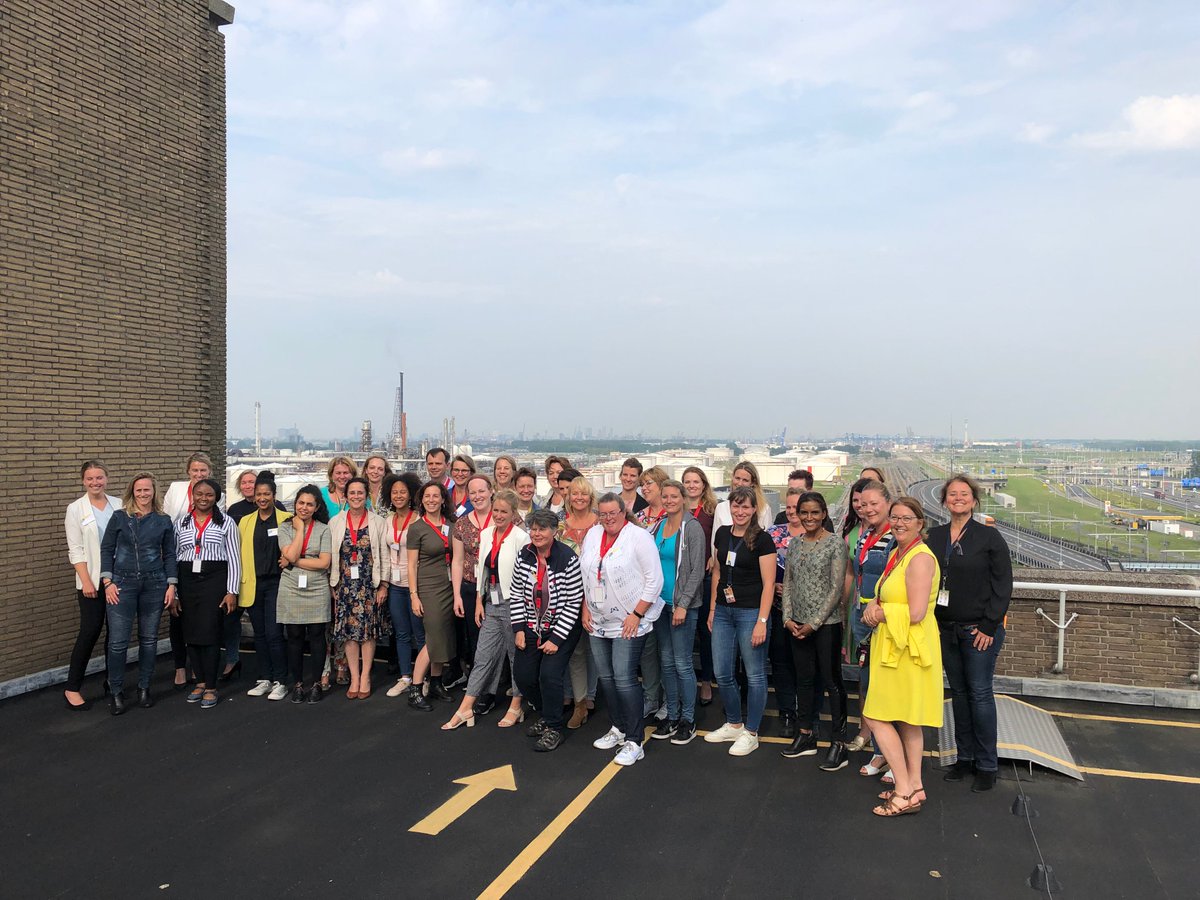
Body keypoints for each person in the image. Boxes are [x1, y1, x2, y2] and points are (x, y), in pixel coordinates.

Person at [927, 475, 1013, 793]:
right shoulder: (933, 536)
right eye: (953, 494)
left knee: (979, 695)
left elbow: (1003, 585)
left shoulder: (989, 537)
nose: (958, 499)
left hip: (979, 631)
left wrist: (989, 627)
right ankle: (964, 759)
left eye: (964, 494)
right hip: (945, 629)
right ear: (945, 501)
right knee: (959, 696)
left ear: (974, 501)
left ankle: (987, 765)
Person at [860, 497, 943, 816]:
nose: (899, 523)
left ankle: (904, 790)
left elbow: (918, 611)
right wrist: (873, 606)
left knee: (876, 715)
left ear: (920, 523)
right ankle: (916, 787)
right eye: (894, 518)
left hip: (907, 648)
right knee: (907, 720)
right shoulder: (899, 553)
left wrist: (881, 614)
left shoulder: (920, 559)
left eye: (907, 518)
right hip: (900, 644)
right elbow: (888, 594)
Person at [580, 494, 663, 766]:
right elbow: (587, 574)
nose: (608, 519)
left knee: (625, 678)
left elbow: (655, 580)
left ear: (623, 511)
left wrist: (637, 614)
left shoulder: (638, 537)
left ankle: (635, 740)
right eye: (603, 514)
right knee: (606, 678)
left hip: (629, 620)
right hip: (598, 620)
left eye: (613, 513)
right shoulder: (593, 535)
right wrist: (585, 606)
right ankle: (618, 728)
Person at [442, 490, 528, 730]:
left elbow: (525, 577)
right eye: (496, 511)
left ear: (513, 514)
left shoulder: (521, 538)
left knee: (515, 657)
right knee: (483, 656)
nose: (499, 515)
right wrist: (480, 600)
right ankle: (466, 706)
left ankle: (516, 704)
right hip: (491, 602)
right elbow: (483, 569)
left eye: (504, 511)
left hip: (514, 604)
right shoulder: (487, 533)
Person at [779, 492, 850, 771]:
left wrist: (814, 623)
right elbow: (789, 581)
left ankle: (839, 743)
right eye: (804, 512)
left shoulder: (835, 543)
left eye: (815, 513)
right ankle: (806, 735)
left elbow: (836, 589)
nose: (809, 518)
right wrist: (787, 618)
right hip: (796, 624)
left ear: (824, 514)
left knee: (832, 682)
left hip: (826, 625)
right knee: (804, 680)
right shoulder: (794, 544)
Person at [704, 486, 776, 757]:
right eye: (736, 506)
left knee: (754, 674)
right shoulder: (722, 534)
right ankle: (734, 722)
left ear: (754, 509)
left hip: (750, 612)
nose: (740, 511)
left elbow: (769, 583)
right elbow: (718, 574)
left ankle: (752, 732)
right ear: (729, 507)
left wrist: (762, 620)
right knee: (722, 672)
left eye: (746, 507)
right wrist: (712, 609)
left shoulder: (762, 539)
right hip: (723, 610)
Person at [99, 473, 177, 715]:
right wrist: (107, 581)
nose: (143, 494)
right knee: (118, 643)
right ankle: (116, 691)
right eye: (139, 490)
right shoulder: (120, 517)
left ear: (154, 491)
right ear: (132, 493)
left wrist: (171, 585)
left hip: (154, 584)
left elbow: (170, 554)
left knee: (149, 640)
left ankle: (144, 687)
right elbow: (107, 548)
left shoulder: (163, 520)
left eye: (147, 490)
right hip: (122, 584)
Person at [511, 509, 585, 752]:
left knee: (549, 675)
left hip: (561, 628)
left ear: (554, 532)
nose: (536, 533)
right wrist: (519, 628)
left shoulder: (567, 558)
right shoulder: (525, 555)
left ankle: (554, 726)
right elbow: (516, 593)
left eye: (542, 529)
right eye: (533, 528)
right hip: (531, 626)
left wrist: (556, 638)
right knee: (523, 676)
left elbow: (574, 601)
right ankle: (546, 712)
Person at [174, 479, 241, 710]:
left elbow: (234, 558)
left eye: (209, 495)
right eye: (199, 494)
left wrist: (232, 590)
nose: (204, 498)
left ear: (217, 497)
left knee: (211, 632)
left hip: (214, 580)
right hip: (187, 580)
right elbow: (174, 556)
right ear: (193, 496)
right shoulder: (181, 523)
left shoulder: (226, 523)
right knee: (190, 632)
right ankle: (200, 681)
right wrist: (173, 590)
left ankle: (211, 686)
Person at [648, 481, 706, 745]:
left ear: (683, 499)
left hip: (681, 606)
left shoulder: (692, 528)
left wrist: (682, 603)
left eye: (674, 496)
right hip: (660, 605)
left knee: (683, 663)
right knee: (667, 662)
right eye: (665, 496)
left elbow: (696, 571)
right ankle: (671, 715)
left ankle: (688, 718)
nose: (669, 500)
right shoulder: (659, 526)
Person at [63, 460, 120, 710]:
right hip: (91, 582)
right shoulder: (75, 509)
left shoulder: (119, 504)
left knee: (116, 633)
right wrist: (87, 581)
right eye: (90, 479)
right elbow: (75, 550)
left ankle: (112, 680)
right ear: (83, 481)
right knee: (90, 632)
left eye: (99, 478)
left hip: (118, 579)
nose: (95, 482)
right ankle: (72, 688)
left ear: (106, 479)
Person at [329, 477, 391, 699]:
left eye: (360, 493)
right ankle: (354, 677)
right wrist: (332, 584)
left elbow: (384, 555)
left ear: (366, 496)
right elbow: (332, 557)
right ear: (345, 496)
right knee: (350, 634)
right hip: (345, 586)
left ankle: (365, 676)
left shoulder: (378, 522)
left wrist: (383, 585)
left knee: (367, 633)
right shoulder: (335, 522)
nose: (356, 497)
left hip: (369, 586)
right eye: (352, 493)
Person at [850, 479, 894, 780]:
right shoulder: (865, 534)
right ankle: (880, 753)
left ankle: (896, 757)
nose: (867, 509)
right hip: (861, 617)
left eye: (874, 503)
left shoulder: (895, 536)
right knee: (869, 688)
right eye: (863, 504)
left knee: (889, 690)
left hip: (882, 619)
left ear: (887, 503)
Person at [162, 452, 219, 687]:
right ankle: (179, 666)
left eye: (203, 471)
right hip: (179, 555)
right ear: (188, 472)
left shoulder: (216, 492)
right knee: (177, 617)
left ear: (209, 472)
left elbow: (216, 520)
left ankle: (199, 669)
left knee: (202, 621)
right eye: (195, 470)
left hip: (206, 564)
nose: (199, 474)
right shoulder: (175, 490)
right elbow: (165, 519)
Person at [277, 485, 333, 703]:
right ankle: (298, 684)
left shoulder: (323, 529)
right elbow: (289, 552)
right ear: (295, 504)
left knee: (318, 637)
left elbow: (324, 562)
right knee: (295, 637)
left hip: (317, 587)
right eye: (301, 503)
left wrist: (294, 561)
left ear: (317, 506)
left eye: (310, 504)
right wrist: (299, 529)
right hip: (291, 587)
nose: (304, 507)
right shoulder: (285, 527)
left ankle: (317, 683)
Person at [239, 472, 292, 702]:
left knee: (274, 634)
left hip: (277, 584)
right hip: (254, 583)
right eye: (259, 494)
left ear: (274, 496)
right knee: (259, 635)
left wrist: (289, 558)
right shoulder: (245, 521)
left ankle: (281, 680)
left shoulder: (287, 519)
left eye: (266, 494)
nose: (262, 498)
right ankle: (264, 678)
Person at [405, 482, 457, 709]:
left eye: (436, 496)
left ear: (443, 499)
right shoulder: (417, 528)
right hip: (428, 586)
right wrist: (414, 595)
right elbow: (411, 564)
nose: (432, 500)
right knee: (433, 637)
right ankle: (415, 688)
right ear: (421, 499)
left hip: (448, 586)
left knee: (444, 635)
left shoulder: (451, 525)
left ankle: (436, 682)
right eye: (427, 496)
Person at [557, 476, 600, 729]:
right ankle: (580, 702)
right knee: (575, 650)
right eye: (575, 494)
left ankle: (591, 694)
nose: (579, 498)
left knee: (595, 649)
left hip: (598, 596)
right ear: (568, 497)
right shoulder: (561, 526)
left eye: (584, 494)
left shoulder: (601, 524)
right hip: (569, 595)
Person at [764, 488, 804, 738]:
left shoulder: (821, 538)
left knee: (805, 664)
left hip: (806, 612)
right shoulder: (773, 534)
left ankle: (808, 712)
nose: (791, 512)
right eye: (788, 507)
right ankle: (787, 711)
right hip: (777, 609)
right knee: (781, 663)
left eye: (796, 507)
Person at [383, 472, 426, 697]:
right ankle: (405, 676)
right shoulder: (387, 521)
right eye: (394, 492)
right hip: (394, 584)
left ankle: (423, 677)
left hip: (415, 584)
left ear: (410, 495)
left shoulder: (420, 519)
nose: (398, 496)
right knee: (401, 633)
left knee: (420, 634)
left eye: (403, 492)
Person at [451, 473, 494, 688]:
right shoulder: (461, 524)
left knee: (498, 638)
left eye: (481, 491)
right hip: (469, 587)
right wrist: (457, 595)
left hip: (496, 589)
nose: (477, 496)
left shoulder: (504, 517)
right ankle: (479, 683)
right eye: (473, 492)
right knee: (475, 638)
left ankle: (497, 682)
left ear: (491, 491)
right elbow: (457, 561)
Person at [682, 465, 718, 706]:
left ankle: (706, 680)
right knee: (683, 632)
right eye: (687, 481)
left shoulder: (711, 510)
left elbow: (718, 539)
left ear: (704, 485)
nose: (692, 485)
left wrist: (713, 557)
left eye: (696, 481)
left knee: (705, 632)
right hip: (681, 578)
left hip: (704, 577)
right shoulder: (676, 508)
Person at [711, 461, 774, 547]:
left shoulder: (764, 509)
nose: (740, 483)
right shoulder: (721, 508)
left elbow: (767, 542)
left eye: (745, 480)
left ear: (752, 483)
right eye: (737, 478)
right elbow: (715, 543)